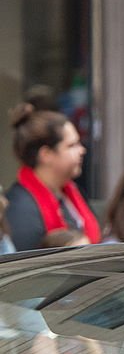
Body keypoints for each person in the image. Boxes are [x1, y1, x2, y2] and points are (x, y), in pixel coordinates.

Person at [5, 103, 99, 251]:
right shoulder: (20, 210)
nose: (82, 150)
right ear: (46, 155)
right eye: (72, 145)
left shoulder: (71, 193)